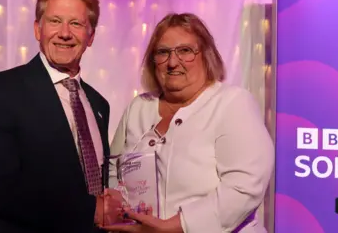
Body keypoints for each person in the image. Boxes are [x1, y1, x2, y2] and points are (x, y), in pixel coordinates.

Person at [0, 0, 122, 233]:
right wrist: (90, 210)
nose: (65, 33)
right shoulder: (1, 90)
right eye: (55, 21)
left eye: (76, 23)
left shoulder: (98, 105)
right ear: (37, 29)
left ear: (91, 36)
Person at [103, 13, 274, 233]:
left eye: (185, 51)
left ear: (207, 55)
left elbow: (244, 187)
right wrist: (118, 207)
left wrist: (177, 227)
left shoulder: (232, 103)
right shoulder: (139, 107)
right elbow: (114, 171)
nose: (173, 63)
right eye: (163, 53)